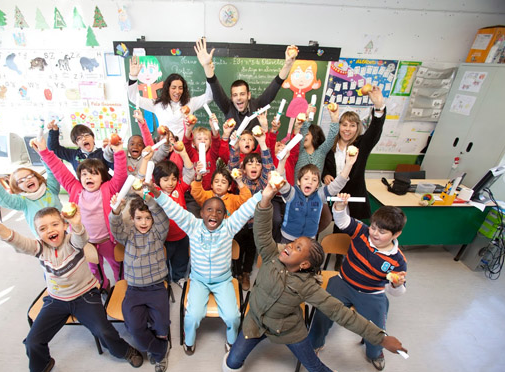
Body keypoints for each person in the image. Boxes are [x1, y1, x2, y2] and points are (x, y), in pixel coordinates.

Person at [215, 182, 407, 372]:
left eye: (297, 248)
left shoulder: (309, 287)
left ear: (304, 264)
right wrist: (265, 200)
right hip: (255, 322)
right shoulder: (271, 255)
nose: (288, 245)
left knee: (315, 366)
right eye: (293, 242)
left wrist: (380, 338)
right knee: (233, 361)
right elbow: (261, 231)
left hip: (287, 328)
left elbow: (342, 314)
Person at [0, 207, 143, 372]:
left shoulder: (72, 241)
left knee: (103, 330)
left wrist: (77, 223)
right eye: (43, 228)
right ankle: (41, 369)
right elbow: (19, 241)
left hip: (85, 296)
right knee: (33, 341)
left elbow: (82, 238)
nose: (50, 230)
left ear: (64, 225)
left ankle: (124, 351)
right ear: (38, 233)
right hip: (56, 300)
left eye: (55, 224)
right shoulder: (39, 247)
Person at [149, 183, 263, 355]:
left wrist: (264, 193)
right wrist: (158, 193)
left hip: (223, 281)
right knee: (192, 315)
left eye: (219, 211)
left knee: (233, 316)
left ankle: (232, 342)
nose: (213, 214)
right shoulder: (192, 226)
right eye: (209, 210)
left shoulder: (228, 227)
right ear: (201, 213)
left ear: (225, 216)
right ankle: (189, 342)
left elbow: (246, 209)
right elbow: (173, 209)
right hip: (198, 280)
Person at [308, 193, 408, 371]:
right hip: (342, 283)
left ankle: (375, 352)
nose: (375, 233)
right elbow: (342, 221)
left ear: (396, 234)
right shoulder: (362, 231)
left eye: (382, 232)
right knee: (322, 312)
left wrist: (397, 284)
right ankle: (315, 343)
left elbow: (397, 293)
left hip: (371, 293)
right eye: (374, 227)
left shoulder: (398, 260)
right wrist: (339, 206)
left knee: (377, 327)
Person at [37, 137, 127, 290]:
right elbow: (59, 170)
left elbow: (120, 176)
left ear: (102, 177)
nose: (88, 177)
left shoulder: (108, 188)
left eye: (93, 174)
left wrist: (118, 152)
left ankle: (120, 285)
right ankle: (103, 285)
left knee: (117, 264)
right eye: (84, 174)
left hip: (107, 240)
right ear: (80, 178)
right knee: (93, 268)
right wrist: (45, 152)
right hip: (85, 242)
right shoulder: (75, 188)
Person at [322, 86, 386, 269]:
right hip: (337, 195)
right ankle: (337, 255)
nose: (347, 129)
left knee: (355, 229)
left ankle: (349, 257)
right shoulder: (332, 146)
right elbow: (327, 166)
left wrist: (379, 108)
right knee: (338, 226)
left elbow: (375, 129)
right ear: (339, 126)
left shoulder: (361, 144)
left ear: (357, 127)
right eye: (344, 125)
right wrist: (326, 175)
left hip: (355, 195)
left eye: (352, 125)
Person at [108, 193, 171, 372]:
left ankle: (159, 349)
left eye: (147, 218)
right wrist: (116, 210)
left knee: (161, 324)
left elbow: (161, 217)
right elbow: (116, 225)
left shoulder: (158, 233)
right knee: (134, 328)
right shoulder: (128, 235)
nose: (143, 222)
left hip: (156, 287)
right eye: (138, 218)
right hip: (134, 290)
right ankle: (159, 350)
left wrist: (150, 200)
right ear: (132, 219)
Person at [195, 37, 297, 130]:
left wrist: (287, 65)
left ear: (249, 95)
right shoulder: (228, 107)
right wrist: (207, 66)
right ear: (231, 97)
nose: (238, 98)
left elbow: (274, 87)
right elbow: (215, 88)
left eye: (242, 94)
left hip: (255, 150)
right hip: (233, 150)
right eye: (235, 95)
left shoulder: (257, 105)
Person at [228, 116, 275, 291]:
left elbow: (269, 168)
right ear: (244, 167)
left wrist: (263, 143)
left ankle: (246, 273)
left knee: (251, 248)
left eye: (257, 163)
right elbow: (233, 163)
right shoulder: (238, 177)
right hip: (239, 222)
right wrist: (234, 146)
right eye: (250, 163)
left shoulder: (263, 182)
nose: (254, 166)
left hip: (256, 223)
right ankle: (236, 272)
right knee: (237, 245)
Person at [278, 148, 358, 243]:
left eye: (314, 180)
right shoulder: (292, 193)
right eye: (306, 178)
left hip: (309, 240)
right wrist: (282, 161)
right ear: (299, 181)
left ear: (317, 185)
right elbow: (279, 180)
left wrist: (348, 164)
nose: (310, 182)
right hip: (288, 238)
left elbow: (337, 185)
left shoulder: (320, 195)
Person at [127, 57, 215, 140]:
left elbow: (209, 97)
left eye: (180, 88)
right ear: (167, 89)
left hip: (184, 149)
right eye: (173, 88)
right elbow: (134, 98)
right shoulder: (157, 104)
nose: (177, 91)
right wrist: (133, 77)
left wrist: (209, 74)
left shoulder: (190, 103)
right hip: (164, 148)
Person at [146, 140, 194, 287]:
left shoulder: (179, 188)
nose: (170, 183)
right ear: (157, 180)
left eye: (173, 179)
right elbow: (142, 193)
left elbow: (190, 172)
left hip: (181, 234)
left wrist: (184, 154)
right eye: (165, 179)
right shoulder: (154, 193)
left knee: (181, 259)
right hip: (163, 237)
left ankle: (179, 276)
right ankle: (164, 279)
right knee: (163, 259)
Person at [0, 155, 61, 238]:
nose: (27, 180)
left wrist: (43, 153)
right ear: (18, 187)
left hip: (65, 230)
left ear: (37, 177)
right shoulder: (22, 201)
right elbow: (5, 200)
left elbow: (52, 172)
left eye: (30, 176)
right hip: (45, 238)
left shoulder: (50, 189)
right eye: (21, 181)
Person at [295, 104, 340, 178]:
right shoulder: (299, 151)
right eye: (303, 134)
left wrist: (334, 119)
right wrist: (308, 117)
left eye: (307, 134)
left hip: (316, 189)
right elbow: (303, 132)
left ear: (314, 136)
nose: (304, 136)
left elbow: (332, 136)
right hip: (298, 189)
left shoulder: (321, 151)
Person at [46, 121, 112, 171]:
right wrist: (54, 131)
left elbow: (117, 168)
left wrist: (111, 151)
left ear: (93, 138)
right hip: (85, 188)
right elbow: (53, 148)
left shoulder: (103, 153)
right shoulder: (73, 155)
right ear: (76, 143)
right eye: (79, 138)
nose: (84, 138)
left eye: (86, 135)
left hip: (105, 187)